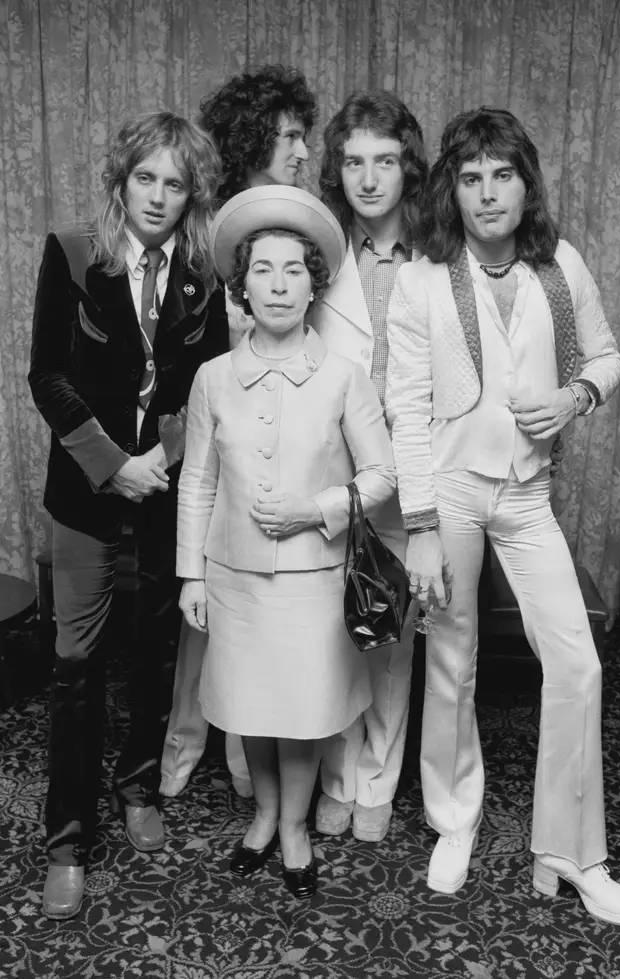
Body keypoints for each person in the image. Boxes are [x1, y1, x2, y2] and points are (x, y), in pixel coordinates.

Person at [385, 106, 620, 927]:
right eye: (470, 178)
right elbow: (407, 407)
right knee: (451, 659)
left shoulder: (560, 265)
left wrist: (574, 395)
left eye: (503, 175)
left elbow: (606, 357)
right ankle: (453, 818)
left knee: (578, 662)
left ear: (527, 184)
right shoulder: (424, 278)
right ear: (451, 190)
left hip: (527, 495)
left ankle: (569, 849)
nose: (488, 193)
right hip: (452, 490)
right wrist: (421, 524)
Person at [29, 111, 228, 920]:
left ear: (191, 195)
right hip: (84, 498)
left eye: (174, 183)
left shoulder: (205, 273)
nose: (157, 195)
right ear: (122, 179)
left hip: (164, 498)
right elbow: (48, 376)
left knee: (151, 655)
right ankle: (68, 838)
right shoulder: (74, 252)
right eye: (145, 177)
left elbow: (204, 389)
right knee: (76, 670)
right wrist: (116, 465)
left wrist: (161, 464)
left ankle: (138, 787)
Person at [176, 184, 396, 898]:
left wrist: (315, 508)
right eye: (262, 270)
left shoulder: (342, 377)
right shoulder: (212, 379)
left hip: (313, 578)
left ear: (314, 284)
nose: (277, 283)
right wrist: (191, 575)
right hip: (233, 576)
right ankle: (265, 815)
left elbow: (382, 475)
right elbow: (198, 484)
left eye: (293, 269)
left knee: (301, 714)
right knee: (252, 709)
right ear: (242, 286)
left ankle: (295, 825)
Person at [160, 65, 317, 800]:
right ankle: (183, 750)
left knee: (262, 629)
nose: (302, 151)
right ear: (255, 137)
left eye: (304, 136)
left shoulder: (303, 227)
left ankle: (246, 766)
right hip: (210, 439)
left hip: (286, 454)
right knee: (203, 615)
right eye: (290, 135)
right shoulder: (208, 230)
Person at [307, 91, 427, 844]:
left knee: (393, 628)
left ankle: (379, 777)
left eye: (385, 161)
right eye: (354, 161)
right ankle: (337, 776)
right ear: (337, 169)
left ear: (408, 167)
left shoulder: (439, 253)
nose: (369, 178)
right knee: (331, 626)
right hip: (335, 466)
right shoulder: (321, 251)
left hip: (412, 466)